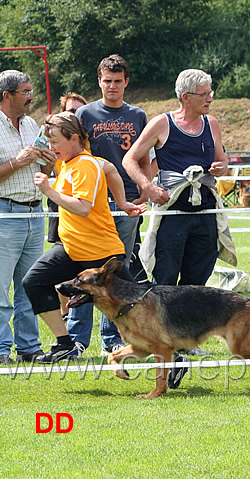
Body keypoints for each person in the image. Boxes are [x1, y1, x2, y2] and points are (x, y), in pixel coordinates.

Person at [22, 112, 144, 363]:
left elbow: (82, 207)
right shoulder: (67, 162)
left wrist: (47, 190)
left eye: (55, 141)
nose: (51, 147)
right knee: (34, 281)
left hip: (101, 256)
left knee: (138, 310)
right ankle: (64, 344)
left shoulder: (85, 166)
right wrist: (121, 201)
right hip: (72, 250)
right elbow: (110, 168)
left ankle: (172, 354)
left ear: (74, 138)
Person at [123, 68, 235, 288]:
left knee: (198, 285)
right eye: (204, 95)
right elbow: (129, 159)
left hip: (205, 214)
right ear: (186, 97)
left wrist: (221, 168)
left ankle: (193, 323)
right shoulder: (161, 124)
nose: (210, 99)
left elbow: (223, 163)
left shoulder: (211, 123)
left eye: (210, 93)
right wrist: (148, 188)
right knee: (165, 283)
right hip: (173, 213)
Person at [68, 55, 150, 355]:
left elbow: (144, 159)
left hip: (126, 203)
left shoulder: (138, 115)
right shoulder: (86, 114)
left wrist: (143, 188)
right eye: (107, 81)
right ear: (99, 81)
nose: (112, 86)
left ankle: (113, 338)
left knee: (117, 271)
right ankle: (77, 340)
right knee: (85, 271)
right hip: (91, 204)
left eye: (117, 81)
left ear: (126, 82)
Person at [0, 69, 56, 364]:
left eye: (31, 91)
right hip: (5, 213)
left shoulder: (32, 123)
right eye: (26, 92)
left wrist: (48, 164)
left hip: (35, 213)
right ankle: (0, 350)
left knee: (29, 284)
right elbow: (15, 165)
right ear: (7, 96)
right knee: (1, 288)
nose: (31, 97)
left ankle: (29, 348)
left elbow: (39, 173)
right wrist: (16, 161)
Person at [47, 92, 88, 245]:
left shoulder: (88, 140)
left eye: (80, 111)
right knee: (60, 245)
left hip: (82, 197)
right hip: (59, 197)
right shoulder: (52, 138)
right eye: (71, 111)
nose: (76, 115)